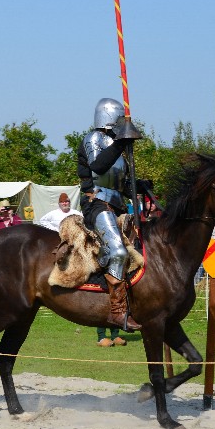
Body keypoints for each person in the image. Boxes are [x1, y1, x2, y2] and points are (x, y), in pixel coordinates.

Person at [77, 97, 144, 331]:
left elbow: (119, 183)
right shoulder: (95, 138)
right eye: (119, 120)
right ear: (108, 118)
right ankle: (117, 312)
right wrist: (119, 144)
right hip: (96, 203)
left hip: (117, 204)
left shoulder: (116, 146)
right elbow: (98, 167)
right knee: (116, 250)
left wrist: (141, 185)